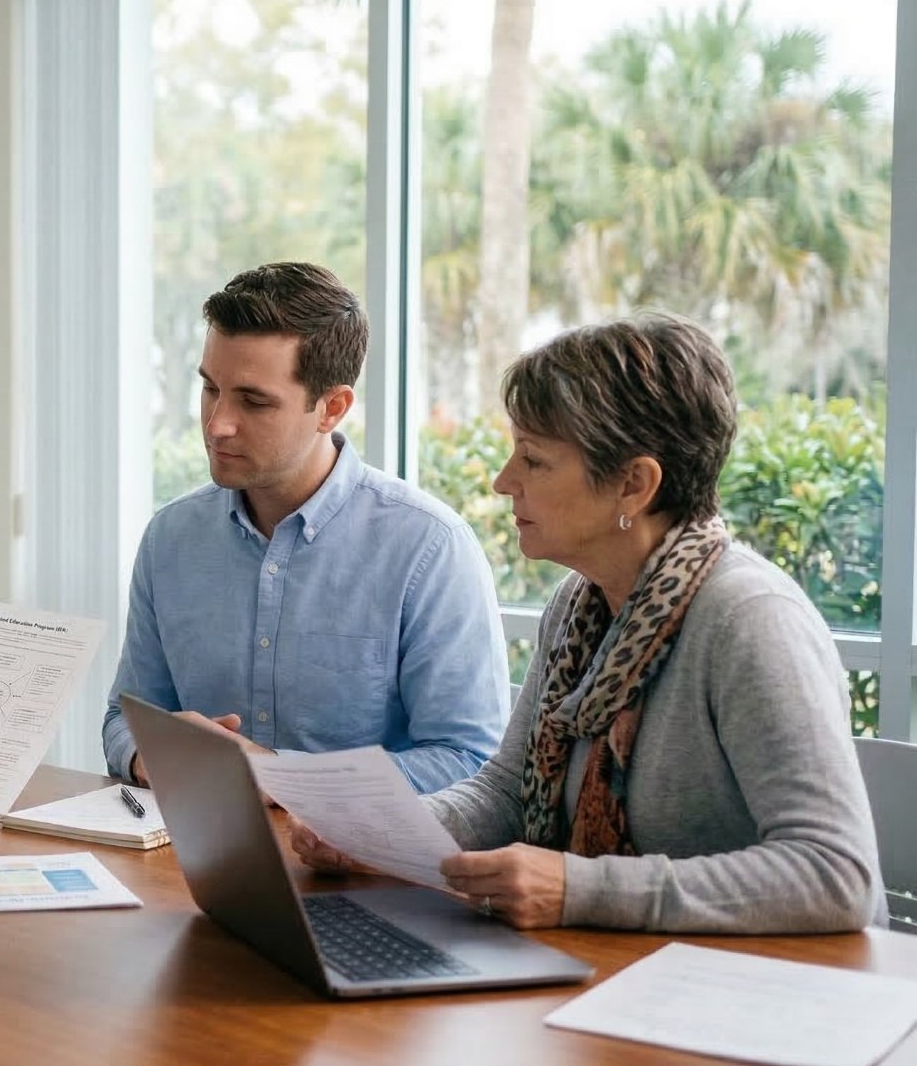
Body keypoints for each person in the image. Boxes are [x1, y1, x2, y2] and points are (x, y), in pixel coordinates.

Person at [293, 313, 885, 934]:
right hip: (620, 973)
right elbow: (505, 795)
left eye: (535, 460)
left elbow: (835, 874)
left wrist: (581, 887)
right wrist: (377, 833)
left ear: (634, 484)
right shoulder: (579, 605)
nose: (503, 482)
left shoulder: (751, 620)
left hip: (749, 1002)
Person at [103, 262, 509, 794]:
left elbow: (470, 761)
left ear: (332, 408)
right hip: (184, 861)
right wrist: (148, 754)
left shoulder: (428, 548)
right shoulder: (170, 539)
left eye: (253, 401)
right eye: (209, 389)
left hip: (368, 870)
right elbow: (124, 719)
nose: (216, 423)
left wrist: (278, 775)